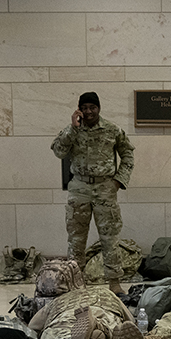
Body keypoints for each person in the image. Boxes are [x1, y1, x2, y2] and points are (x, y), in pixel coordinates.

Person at [52, 91, 135, 294]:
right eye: (85, 107)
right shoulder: (73, 130)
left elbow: (127, 154)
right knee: (76, 238)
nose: (89, 112)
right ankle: (75, 282)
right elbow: (58, 151)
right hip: (79, 188)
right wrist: (73, 128)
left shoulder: (112, 130)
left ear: (99, 108)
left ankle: (114, 283)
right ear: (79, 109)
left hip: (105, 188)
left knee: (110, 238)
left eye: (93, 107)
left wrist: (118, 181)